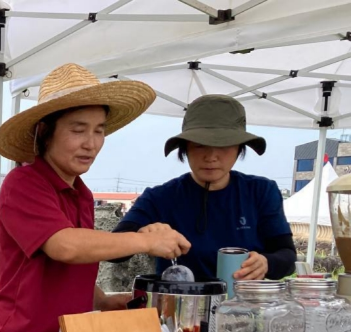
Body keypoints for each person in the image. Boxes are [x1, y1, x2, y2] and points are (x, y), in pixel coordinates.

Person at [0, 64, 191, 332]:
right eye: (78, 130)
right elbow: (64, 247)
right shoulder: (24, 183)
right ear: (45, 132)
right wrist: (145, 241)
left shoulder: (82, 193)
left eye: (99, 131)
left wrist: (104, 301)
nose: (90, 144)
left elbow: (67, 267)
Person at [114, 95, 297, 282]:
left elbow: (288, 256)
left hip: (245, 306)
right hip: (178, 305)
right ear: (185, 148)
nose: (211, 156)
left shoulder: (261, 191)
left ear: (239, 148)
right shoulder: (159, 197)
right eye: (200, 145)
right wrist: (143, 239)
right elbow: (115, 252)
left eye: (223, 145)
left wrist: (267, 262)